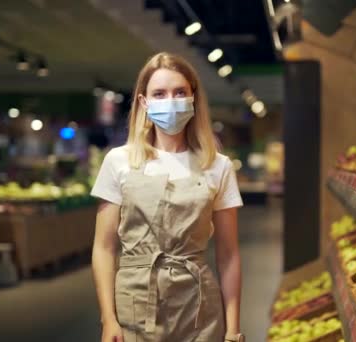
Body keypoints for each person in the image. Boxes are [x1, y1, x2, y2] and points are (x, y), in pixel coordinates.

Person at [91, 52, 245, 342]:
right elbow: (104, 247)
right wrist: (108, 319)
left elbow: (228, 255)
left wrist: (233, 330)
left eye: (179, 92)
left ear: (193, 98)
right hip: (134, 306)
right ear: (144, 102)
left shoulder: (218, 166)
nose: (170, 101)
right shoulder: (119, 161)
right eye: (159, 93)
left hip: (199, 305)